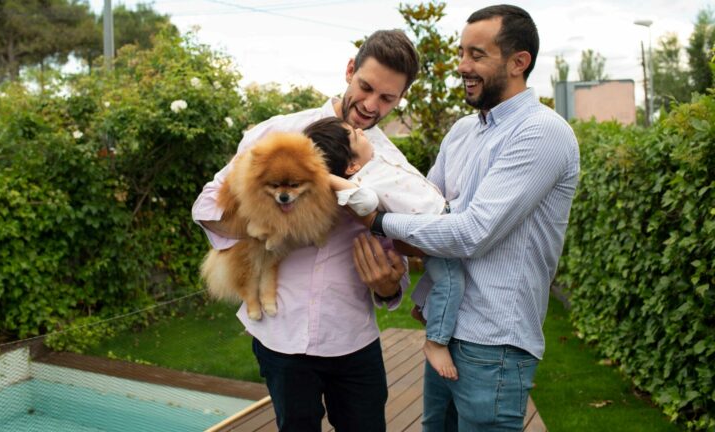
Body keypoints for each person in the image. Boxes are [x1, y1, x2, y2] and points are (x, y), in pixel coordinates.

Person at [358, 5, 580, 431]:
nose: (462, 66)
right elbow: (423, 208)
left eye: (476, 55)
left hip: (494, 340)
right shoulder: (462, 131)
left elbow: (469, 234)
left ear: (519, 63)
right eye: (462, 53)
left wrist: (378, 222)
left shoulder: (541, 132)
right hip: (445, 326)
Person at [191, 30, 419, 432]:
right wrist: (275, 225)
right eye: (365, 87)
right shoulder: (275, 134)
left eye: (387, 98)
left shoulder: (390, 166)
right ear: (350, 70)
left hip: (352, 336)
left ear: (400, 99)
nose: (369, 105)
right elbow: (207, 206)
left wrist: (388, 286)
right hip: (281, 334)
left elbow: (395, 246)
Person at [304, 116, 465, 380]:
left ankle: (424, 308)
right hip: (432, 235)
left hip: (443, 217)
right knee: (452, 283)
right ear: (352, 164)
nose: (360, 131)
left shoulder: (377, 161)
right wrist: (328, 179)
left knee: (447, 276)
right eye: (356, 136)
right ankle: (436, 341)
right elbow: (364, 203)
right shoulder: (362, 184)